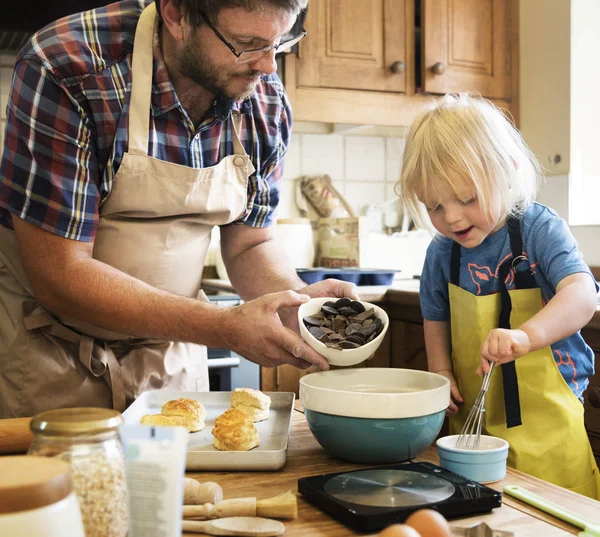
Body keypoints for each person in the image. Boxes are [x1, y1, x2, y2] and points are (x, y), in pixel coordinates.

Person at [0, 0, 357, 419]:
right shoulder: (68, 67)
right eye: (247, 43)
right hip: (49, 354)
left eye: (281, 43)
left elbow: (250, 243)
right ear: (176, 16)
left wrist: (295, 301)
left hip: (171, 357)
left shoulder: (263, 100)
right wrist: (220, 326)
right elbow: (59, 273)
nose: (269, 67)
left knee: (180, 485)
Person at [398, 93, 600, 498]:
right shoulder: (443, 251)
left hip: (550, 433)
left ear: (507, 172)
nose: (451, 217)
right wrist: (441, 371)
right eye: (435, 206)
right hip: (473, 430)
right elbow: (435, 315)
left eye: (467, 199)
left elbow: (582, 295)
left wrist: (526, 336)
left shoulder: (538, 230)